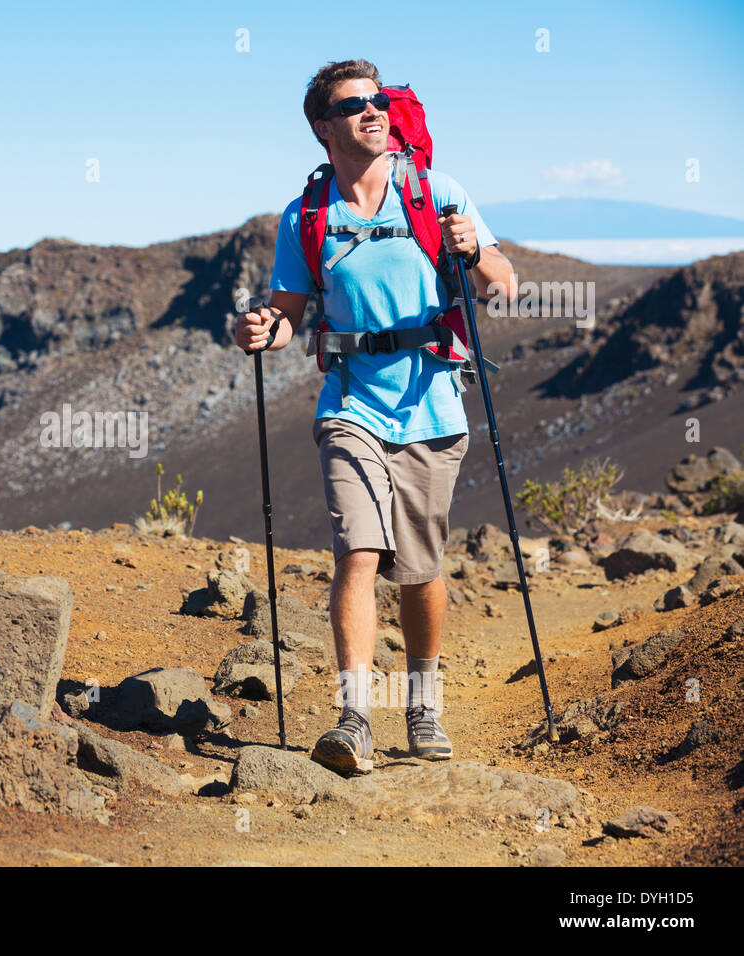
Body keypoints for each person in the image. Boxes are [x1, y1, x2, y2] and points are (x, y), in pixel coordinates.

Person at [233, 59, 517, 776]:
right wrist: (264, 329)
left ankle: (423, 701)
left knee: (420, 569)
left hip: (432, 405)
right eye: (354, 104)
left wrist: (475, 252)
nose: (373, 111)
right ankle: (355, 715)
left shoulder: (435, 191)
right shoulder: (306, 218)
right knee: (357, 550)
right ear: (324, 127)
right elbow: (291, 315)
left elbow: (504, 286)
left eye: (379, 100)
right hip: (351, 404)